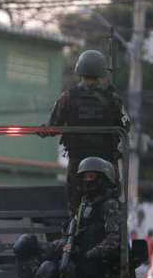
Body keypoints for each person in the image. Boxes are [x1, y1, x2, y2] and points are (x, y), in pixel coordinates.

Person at [0, 157, 121, 278]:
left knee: (48, 268)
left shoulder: (110, 205)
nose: (87, 181)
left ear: (104, 178)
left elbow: (114, 239)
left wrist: (89, 254)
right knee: (25, 244)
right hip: (75, 251)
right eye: (85, 176)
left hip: (94, 266)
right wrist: (68, 239)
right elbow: (75, 233)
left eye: (91, 176)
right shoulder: (85, 204)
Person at [43, 50, 130, 213]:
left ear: (79, 70)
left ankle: (73, 231)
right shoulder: (113, 99)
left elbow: (53, 125)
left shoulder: (68, 97)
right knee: (111, 203)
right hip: (107, 162)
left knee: (74, 206)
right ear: (102, 72)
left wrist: (43, 130)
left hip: (78, 161)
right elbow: (126, 125)